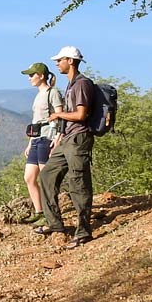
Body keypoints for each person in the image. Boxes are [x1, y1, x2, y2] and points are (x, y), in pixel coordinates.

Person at [37, 46, 96, 247]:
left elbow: (81, 115)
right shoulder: (72, 84)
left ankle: (83, 232)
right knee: (46, 175)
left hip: (79, 139)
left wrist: (58, 115)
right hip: (67, 139)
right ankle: (55, 224)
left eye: (59, 60)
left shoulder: (82, 84)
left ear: (70, 61)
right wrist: (60, 137)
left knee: (78, 183)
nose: (57, 64)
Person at [21, 61, 64, 222]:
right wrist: (30, 142)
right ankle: (39, 212)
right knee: (29, 177)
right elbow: (36, 120)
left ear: (41, 76)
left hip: (47, 137)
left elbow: (60, 116)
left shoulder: (52, 93)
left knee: (46, 177)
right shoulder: (39, 95)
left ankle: (50, 214)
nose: (30, 78)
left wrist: (58, 138)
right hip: (37, 139)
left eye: (32, 75)